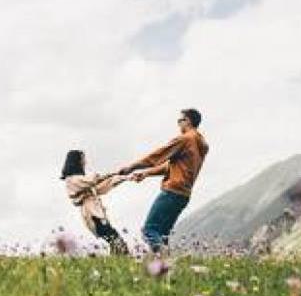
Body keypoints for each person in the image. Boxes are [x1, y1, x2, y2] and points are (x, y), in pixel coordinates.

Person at [119, 108, 209, 254]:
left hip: (171, 192)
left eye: (180, 120)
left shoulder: (185, 139)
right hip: (184, 195)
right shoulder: (199, 145)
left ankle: (165, 263)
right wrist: (145, 174)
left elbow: (157, 156)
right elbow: (171, 166)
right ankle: (167, 269)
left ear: (188, 121)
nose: (178, 124)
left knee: (149, 230)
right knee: (162, 235)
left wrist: (132, 167)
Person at [60, 150, 131, 255]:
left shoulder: (82, 181)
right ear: (77, 161)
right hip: (92, 213)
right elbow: (93, 180)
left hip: (97, 212)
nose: (85, 162)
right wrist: (100, 175)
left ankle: (117, 259)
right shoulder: (71, 180)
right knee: (114, 239)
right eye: (83, 159)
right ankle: (120, 258)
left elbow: (102, 185)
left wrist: (124, 177)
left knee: (113, 239)